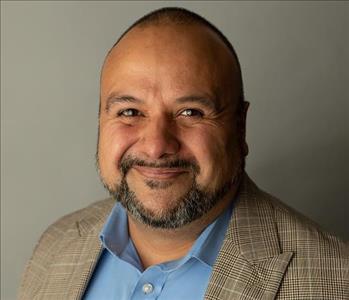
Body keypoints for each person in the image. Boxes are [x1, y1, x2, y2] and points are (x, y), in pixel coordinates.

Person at [18, 7, 348, 300]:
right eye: (130, 112)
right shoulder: (54, 247)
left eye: (190, 112)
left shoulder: (335, 282)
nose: (156, 146)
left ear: (240, 127)